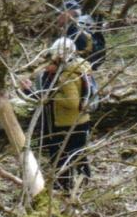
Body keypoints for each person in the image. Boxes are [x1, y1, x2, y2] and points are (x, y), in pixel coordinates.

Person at [24, 38, 93, 190]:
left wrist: (52, 95)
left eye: (51, 61)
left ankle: (65, 185)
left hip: (68, 123)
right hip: (77, 121)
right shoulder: (78, 67)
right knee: (77, 154)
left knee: (63, 155)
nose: (46, 66)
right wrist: (28, 91)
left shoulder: (67, 76)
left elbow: (71, 102)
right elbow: (41, 97)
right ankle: (81, 182)